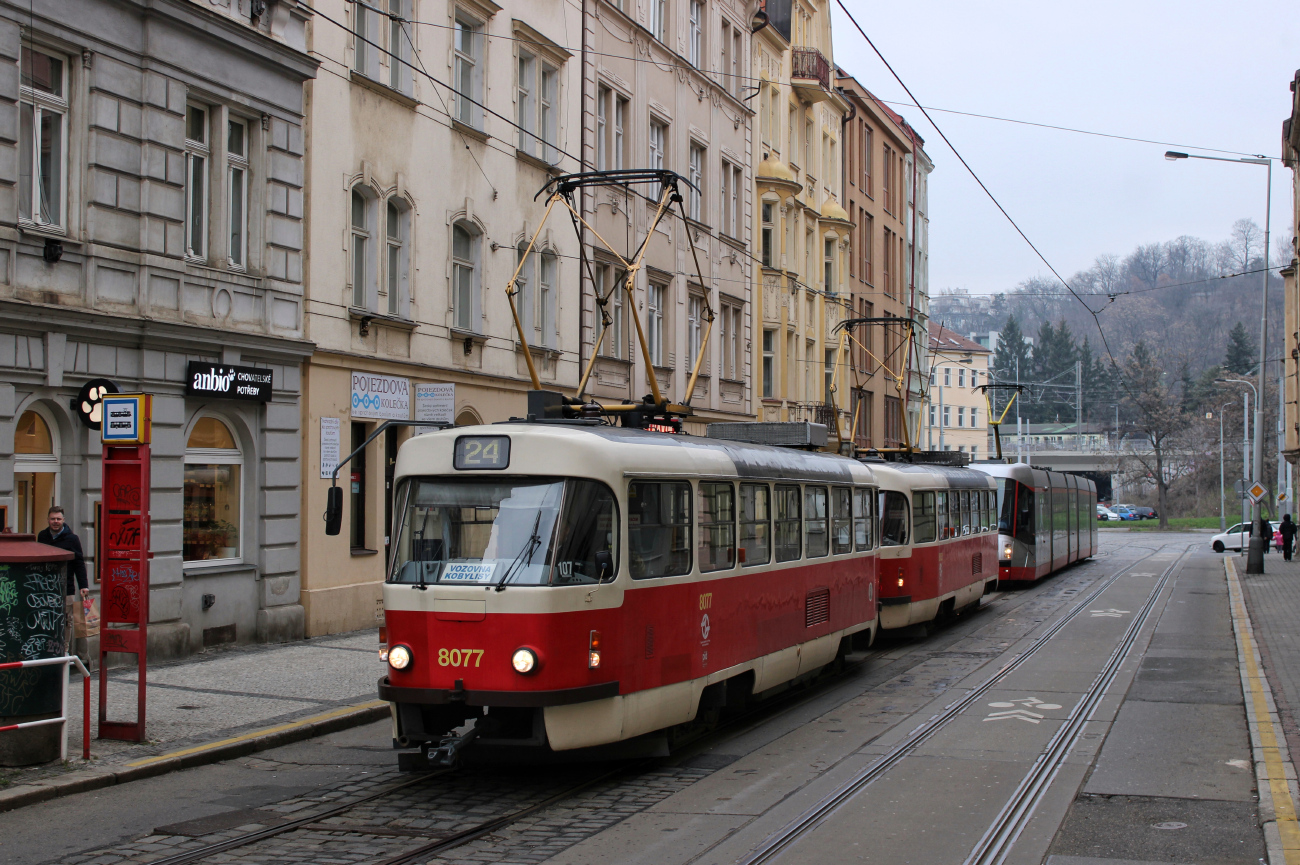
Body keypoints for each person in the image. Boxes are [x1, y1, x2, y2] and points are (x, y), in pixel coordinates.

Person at [36, 506, 89, 651]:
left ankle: (63, 649)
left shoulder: (72, 539)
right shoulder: (42, 536)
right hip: (45, 588)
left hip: (66, 587)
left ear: (63, 520)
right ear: (48, 520)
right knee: (46, 617)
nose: (55, 522)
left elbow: (79, 563)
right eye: (52, 519)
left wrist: (83, 585)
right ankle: (47, 647)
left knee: (66, 620)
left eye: (58, 519)